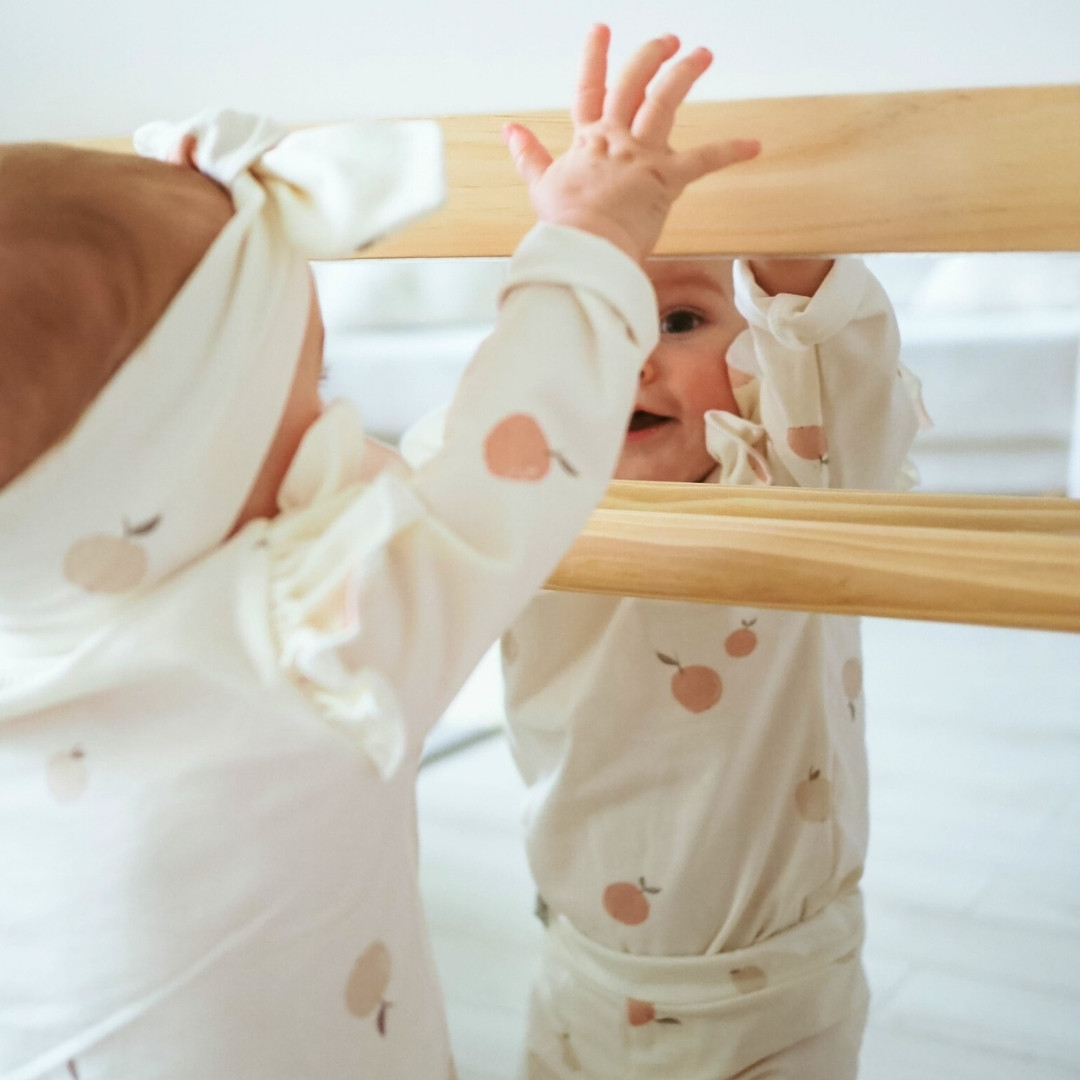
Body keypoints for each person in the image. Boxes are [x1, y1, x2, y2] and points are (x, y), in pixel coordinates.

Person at [0, 28, 761, 1080]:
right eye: (311, 392)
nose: (339, 421)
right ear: (186, 476)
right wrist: (588, 241)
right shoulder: (307, 648)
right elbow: (510, 459)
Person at [405, 252, 927, 1078]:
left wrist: (793, 263)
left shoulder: (790, 480)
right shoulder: (517, 507)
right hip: (581, 968)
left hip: (775, 1000)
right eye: (590, 330)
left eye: (679, 322)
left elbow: (834, 378)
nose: (632, 357)